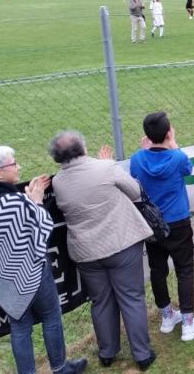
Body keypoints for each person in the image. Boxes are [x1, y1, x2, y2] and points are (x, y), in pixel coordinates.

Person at [0, 146, 88, 374]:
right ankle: (60, 368)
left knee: (20, 327)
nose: (18, 166)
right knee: (51, 316)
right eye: (13, 163)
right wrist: (36, 200)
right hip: (30, 274)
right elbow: (43, 229)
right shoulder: (13, 203)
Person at [50, 132, 156, 368]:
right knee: (131, 298)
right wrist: (108, 164)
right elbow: (135, 191)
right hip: (120, 243)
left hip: (86, 251)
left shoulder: (58, 181)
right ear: (83, 148)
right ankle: (142, 354)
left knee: (101, 301)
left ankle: (107, 353)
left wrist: (104, 165)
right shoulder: (106, 168)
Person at [131, 112, 194, 341]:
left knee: (158, 270)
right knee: (185, 269)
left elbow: (136, 174)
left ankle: (167, 316)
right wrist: (173, 144)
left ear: (147, 136)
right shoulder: (176, 157)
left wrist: (145, 149)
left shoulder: (137, 159)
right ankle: (187, 323)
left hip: (152, 224)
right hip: (177, 222)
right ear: (168, 133)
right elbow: (186, 168)